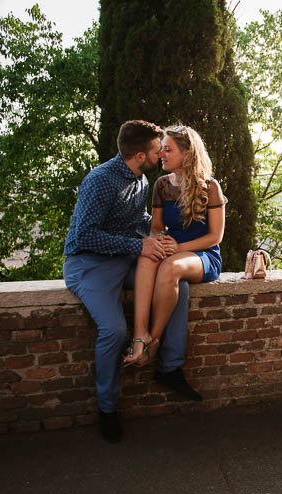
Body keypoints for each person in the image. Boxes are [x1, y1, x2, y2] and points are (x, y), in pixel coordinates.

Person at [63, 120, 198, 443]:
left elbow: (134, 221)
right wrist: (139, 245)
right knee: (114, 330)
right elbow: (86, 235)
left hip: (123, 261)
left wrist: (163, 237)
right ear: (140, 155)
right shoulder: (100, 181)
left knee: (177, 285)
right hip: (88, 264)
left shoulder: (139, 180)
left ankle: (169, 366)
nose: (161, 154)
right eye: (156, 150)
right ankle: (107, 409)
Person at [122, 125, 225, 391]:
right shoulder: (161, 186)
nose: (161, 155)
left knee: (169, 268)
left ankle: (151, 342)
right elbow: (156, 226)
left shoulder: (210, 187)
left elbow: (215, 237)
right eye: (161, 149)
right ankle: (139, 334)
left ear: (188, 153)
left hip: (202, 254)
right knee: (147, 255)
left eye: (168, 150)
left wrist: (177, 248)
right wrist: (158, 241)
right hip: (174, 249)